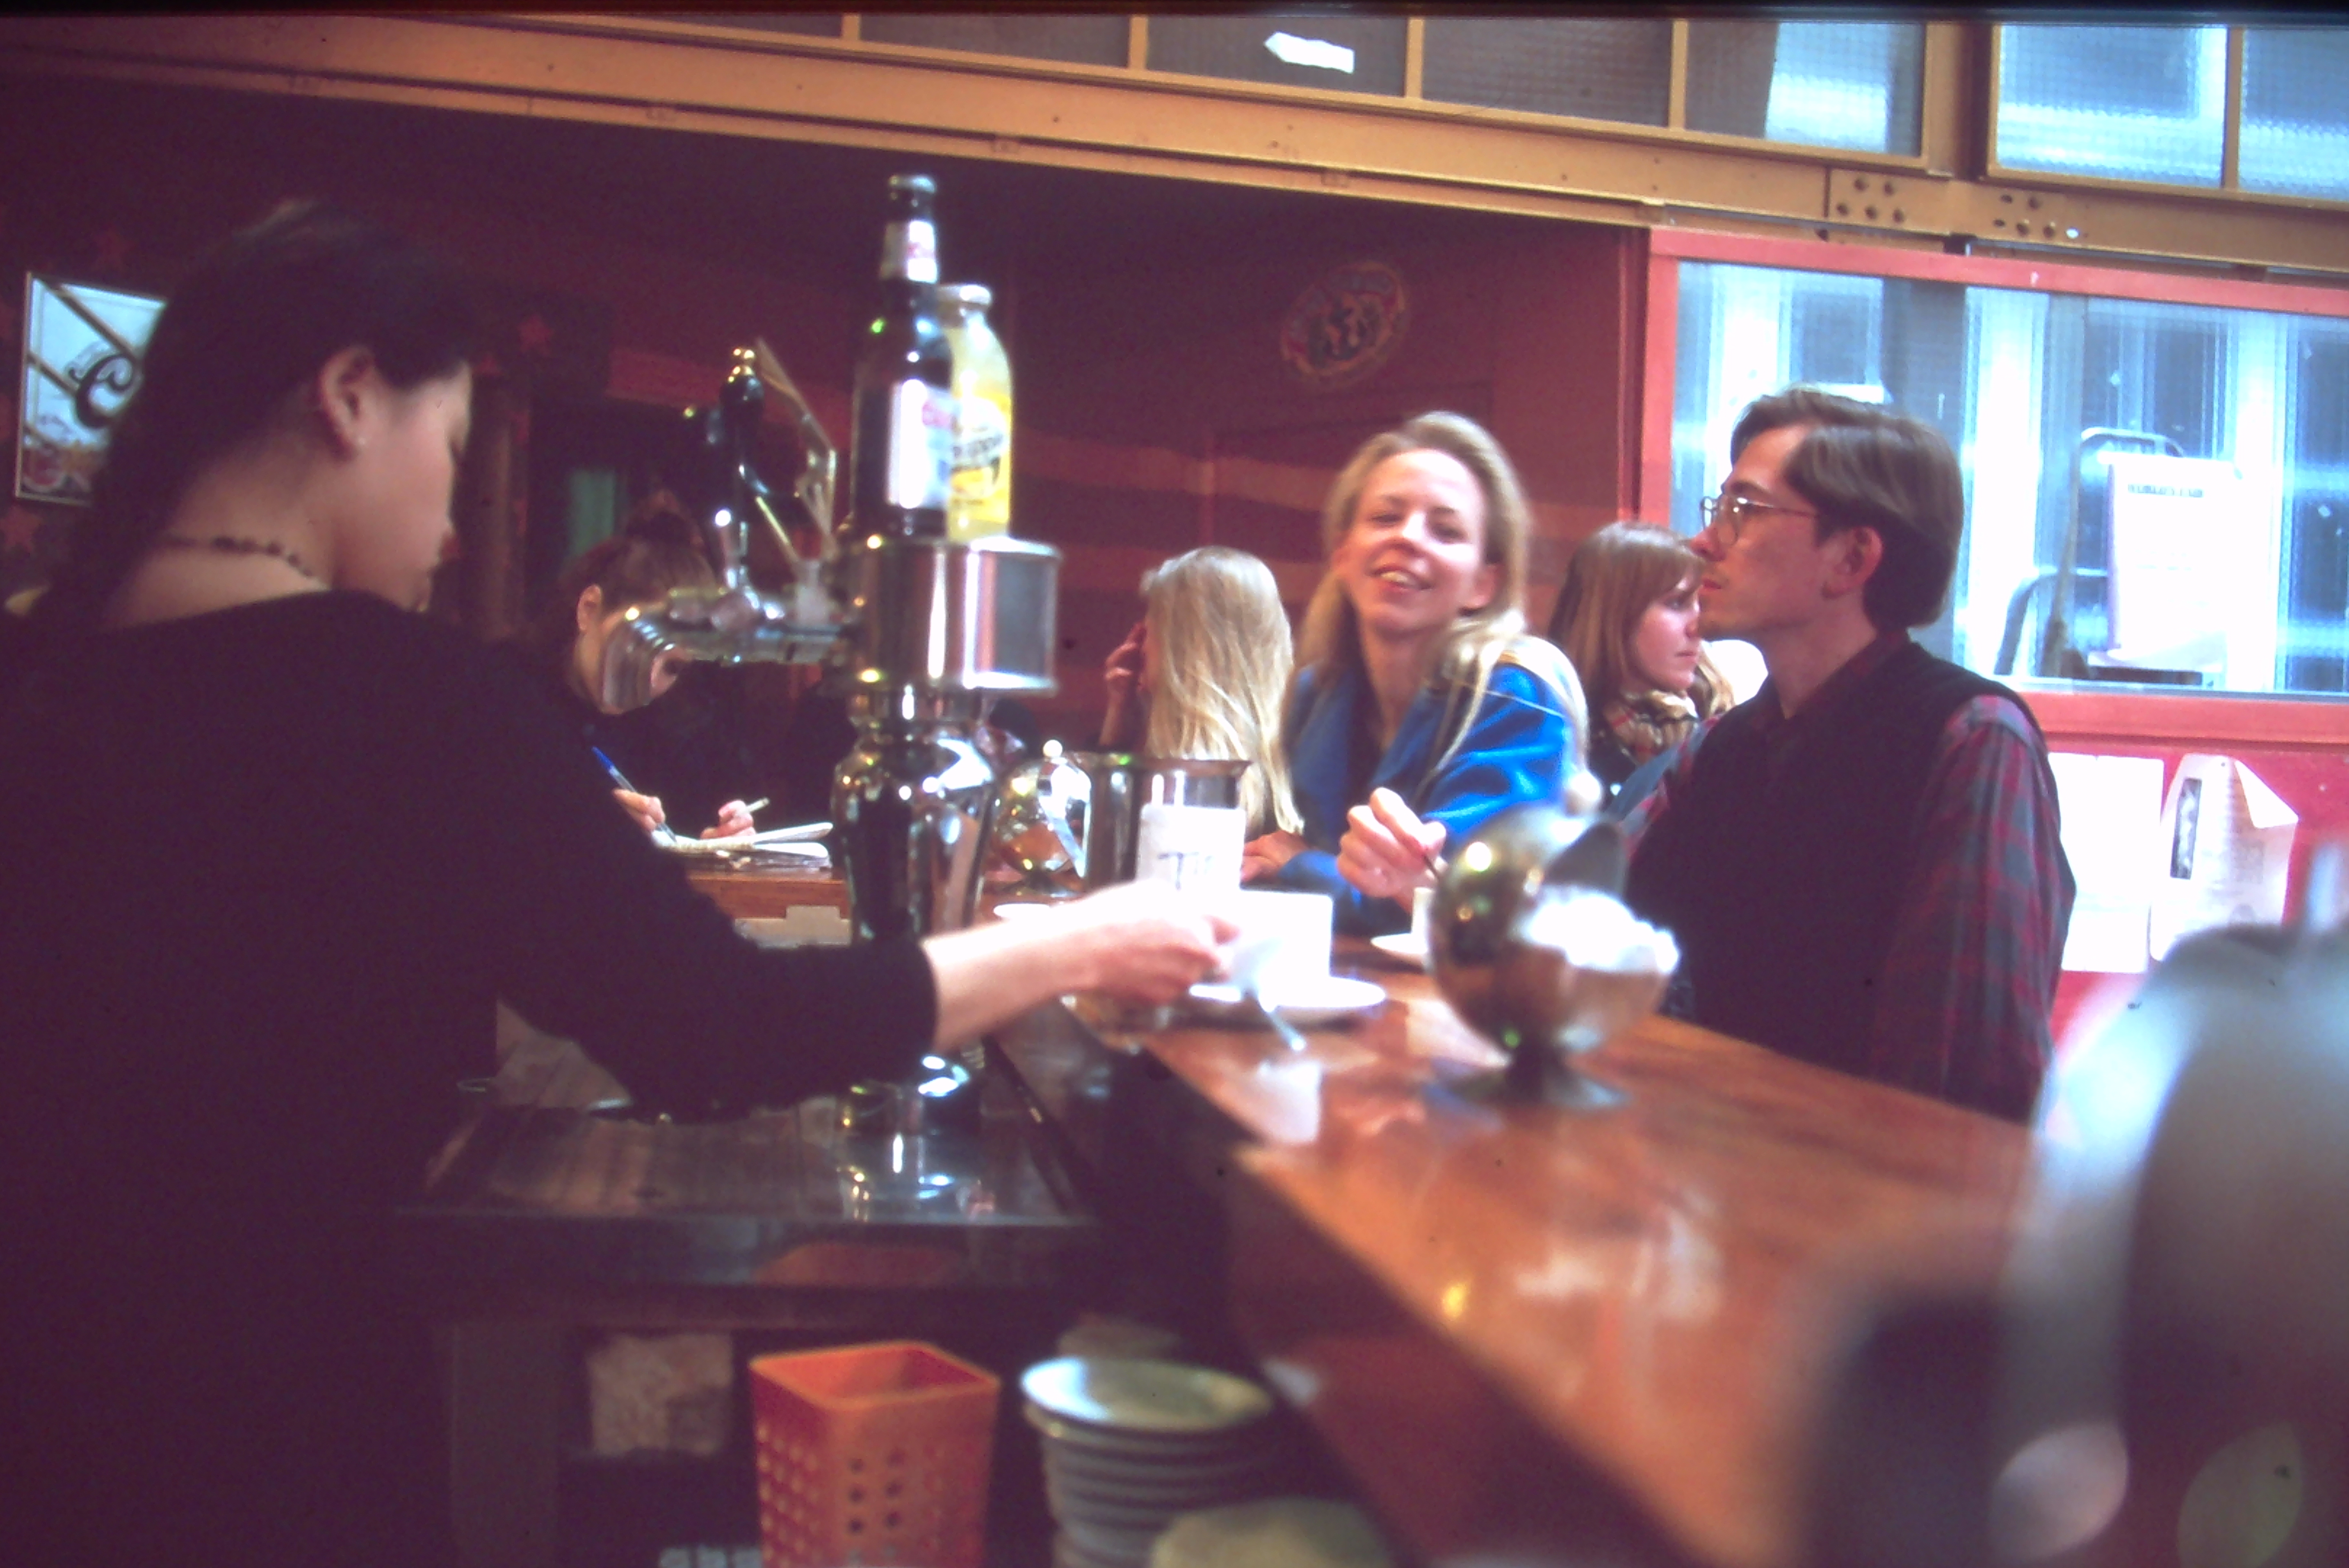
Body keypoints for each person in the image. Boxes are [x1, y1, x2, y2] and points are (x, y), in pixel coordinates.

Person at [0, 202, 1229, 1567]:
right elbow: (714, 1029)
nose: (452, 530)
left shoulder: (39, 663)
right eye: (450, 451)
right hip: (269, 1413)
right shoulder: (412, 702)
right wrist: (1070, 942)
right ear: (352, 397)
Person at [1620, 386, 2074, 1123]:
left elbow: (1961, 1083)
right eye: (1718, 509)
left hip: (1865, 1216)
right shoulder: (1721, 747)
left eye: (1745, 510)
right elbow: (1586, 921)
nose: (1703, 542)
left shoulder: (1970, 739)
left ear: (1852, 556)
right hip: (1708, 1194)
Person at [1243, 412, 1585, 934]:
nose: (1409, 538)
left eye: (1445, 530)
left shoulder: (1519, 698)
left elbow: (1454, 904)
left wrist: (1298, 864)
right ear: (1342, 552)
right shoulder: (1318, 693)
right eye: (1384, 518)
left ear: (1483, 583)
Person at [514, 491, 762, 839]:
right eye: (639, 644)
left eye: (673, 668)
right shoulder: (505, 700)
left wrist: (716, 844)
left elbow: (684, 840)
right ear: (589, 609)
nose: (649, 676)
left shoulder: (676, 733)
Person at [1098, 545, 1302, 838]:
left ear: (1179, 650)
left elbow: (1088, 856)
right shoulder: (1304, 754)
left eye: (1149, 633)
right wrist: (1118, 729)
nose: (1140, 649)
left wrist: (1114, 747)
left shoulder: (1166, 788)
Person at [1546, 520, 1733, 802]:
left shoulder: (1723, 727)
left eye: (1701, 605)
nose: (1699, 626)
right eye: (1677, 603)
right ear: (1612, 613)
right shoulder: (1553, 738)